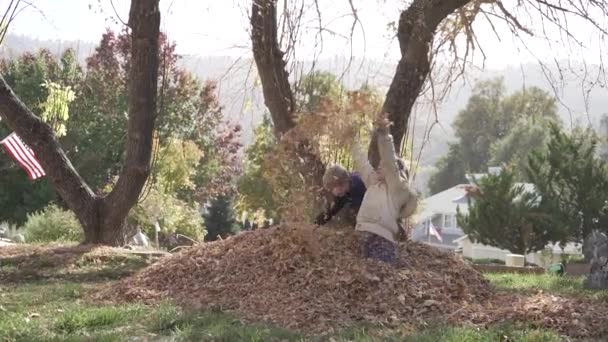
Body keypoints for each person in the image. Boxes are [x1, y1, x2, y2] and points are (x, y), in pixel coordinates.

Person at [350, 114, 418, 264]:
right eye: (378, 165)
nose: (379, 167)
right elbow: (361, 162)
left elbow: (389, 160)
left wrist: (384, 134)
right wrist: (351, 139)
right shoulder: (373, 182)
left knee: (376, 275)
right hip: (360, 234)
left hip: (381, 240)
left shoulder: (397, 190)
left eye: (382, 166)